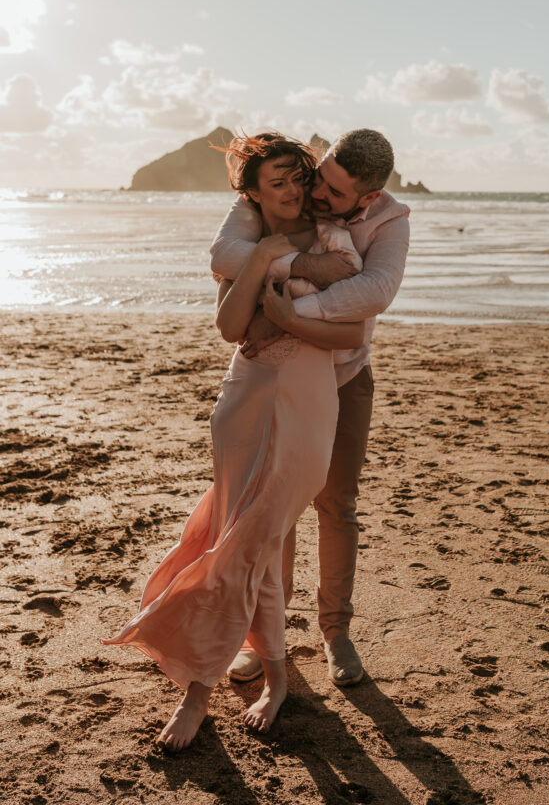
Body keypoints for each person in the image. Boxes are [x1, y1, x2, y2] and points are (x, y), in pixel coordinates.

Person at [101, 133, 367, 750]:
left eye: (298, 177)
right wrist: (262, 260)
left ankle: (206, 687)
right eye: (278, 182)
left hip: (306, 404)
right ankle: (268, 678)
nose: (295, 190)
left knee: (249, 542)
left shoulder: (333, 240)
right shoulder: (245, 247)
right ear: (252, 192)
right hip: (244, 399)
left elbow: (351, 326)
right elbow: (229, 327)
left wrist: (284, 299)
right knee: (243, 540)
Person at [210, 128, 410, 688]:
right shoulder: (278, 196)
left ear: (366, 199)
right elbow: (223, 254)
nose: (316, 194)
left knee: (336, 505)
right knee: (278, 507)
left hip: (345, 376)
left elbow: (373, 293)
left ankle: (335, 632)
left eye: (335, 193)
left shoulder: (389, 222)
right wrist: (295, 261)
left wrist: (287, 317)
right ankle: (268, 639)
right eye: (318, 177)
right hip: (280, 376)